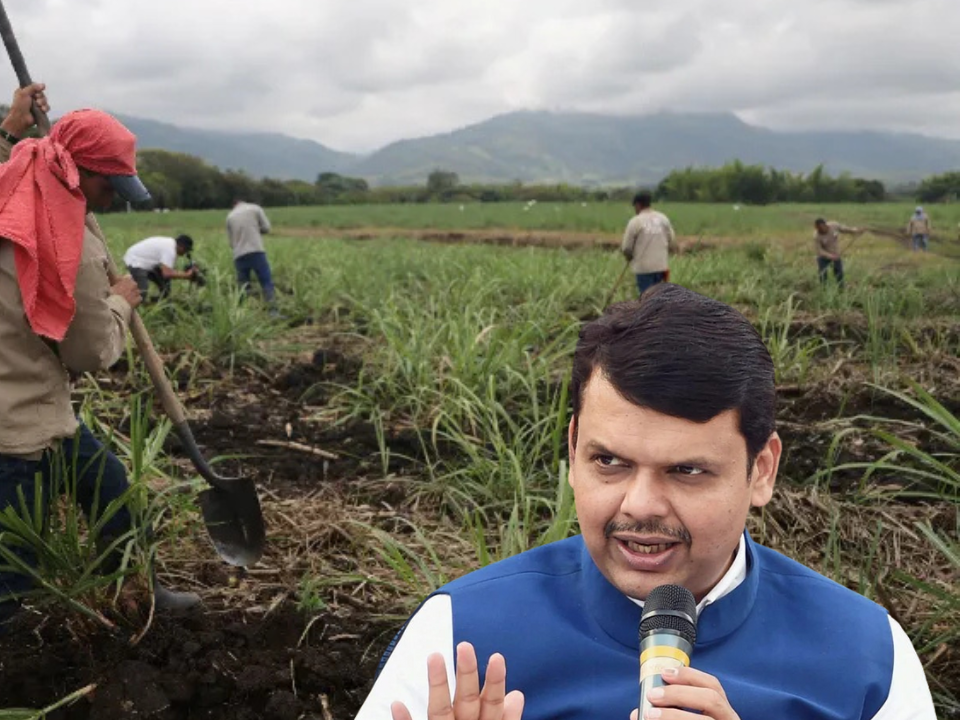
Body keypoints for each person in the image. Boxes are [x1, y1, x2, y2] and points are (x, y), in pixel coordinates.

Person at [355, 284, 935, 720]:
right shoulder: (460, 642)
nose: (641, 505)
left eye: (686, 471)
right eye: (610, 462)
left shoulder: (866, 660)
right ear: (573, 448)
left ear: (761, 471)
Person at [0, 84, 199, 719]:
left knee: (110, 486)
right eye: (105, 187)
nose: (108, 201)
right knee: (8, 569)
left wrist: (6, 131)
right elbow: (92, 353)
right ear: (79, 170)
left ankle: (137, 592)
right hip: (14, 414)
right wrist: (123, 297)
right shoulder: (73, 248)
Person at [621, 192, 676, 296]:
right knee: (659, 297)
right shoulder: (663, 219)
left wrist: (629, 257)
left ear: (638, 205)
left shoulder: (635, 222)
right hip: (661, 267)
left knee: (647, 298)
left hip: (644, 269)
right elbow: (672, 241)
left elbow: (627, 248)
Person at [226, 199, 275, 305]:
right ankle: (272, 311)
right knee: (266, 281)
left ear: (234, 206)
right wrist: (255, 231)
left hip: (239, 255)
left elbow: (231, 243)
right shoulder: (255, 208)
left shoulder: (230, 216)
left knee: (243, 286)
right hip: (256, 250)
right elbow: (266, 228)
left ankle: (242, 313)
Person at [123, 234, 200, 301]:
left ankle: (156, 302)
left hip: (146, 262)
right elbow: (167, 273)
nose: (185, 253)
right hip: (135, 261)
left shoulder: (170, 244)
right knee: (142, 290)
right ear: (182, 246)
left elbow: (167, 271)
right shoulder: (170, 249)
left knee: (165, 285)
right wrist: (186, 275)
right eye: (186, 250)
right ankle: (135, 310)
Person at [814, 218, 862, 287]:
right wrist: (829, 256)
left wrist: (854, 231)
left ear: (825, 225)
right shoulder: (816, 235)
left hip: (835, 254)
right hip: (824, 256)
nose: (820, 230)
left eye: (821, 228)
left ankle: (840, 288)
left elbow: (844, 229)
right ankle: (824, 288)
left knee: (839, 273)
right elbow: (819, 250)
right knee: (822, 273)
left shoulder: (833, 225)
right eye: (818, 228)